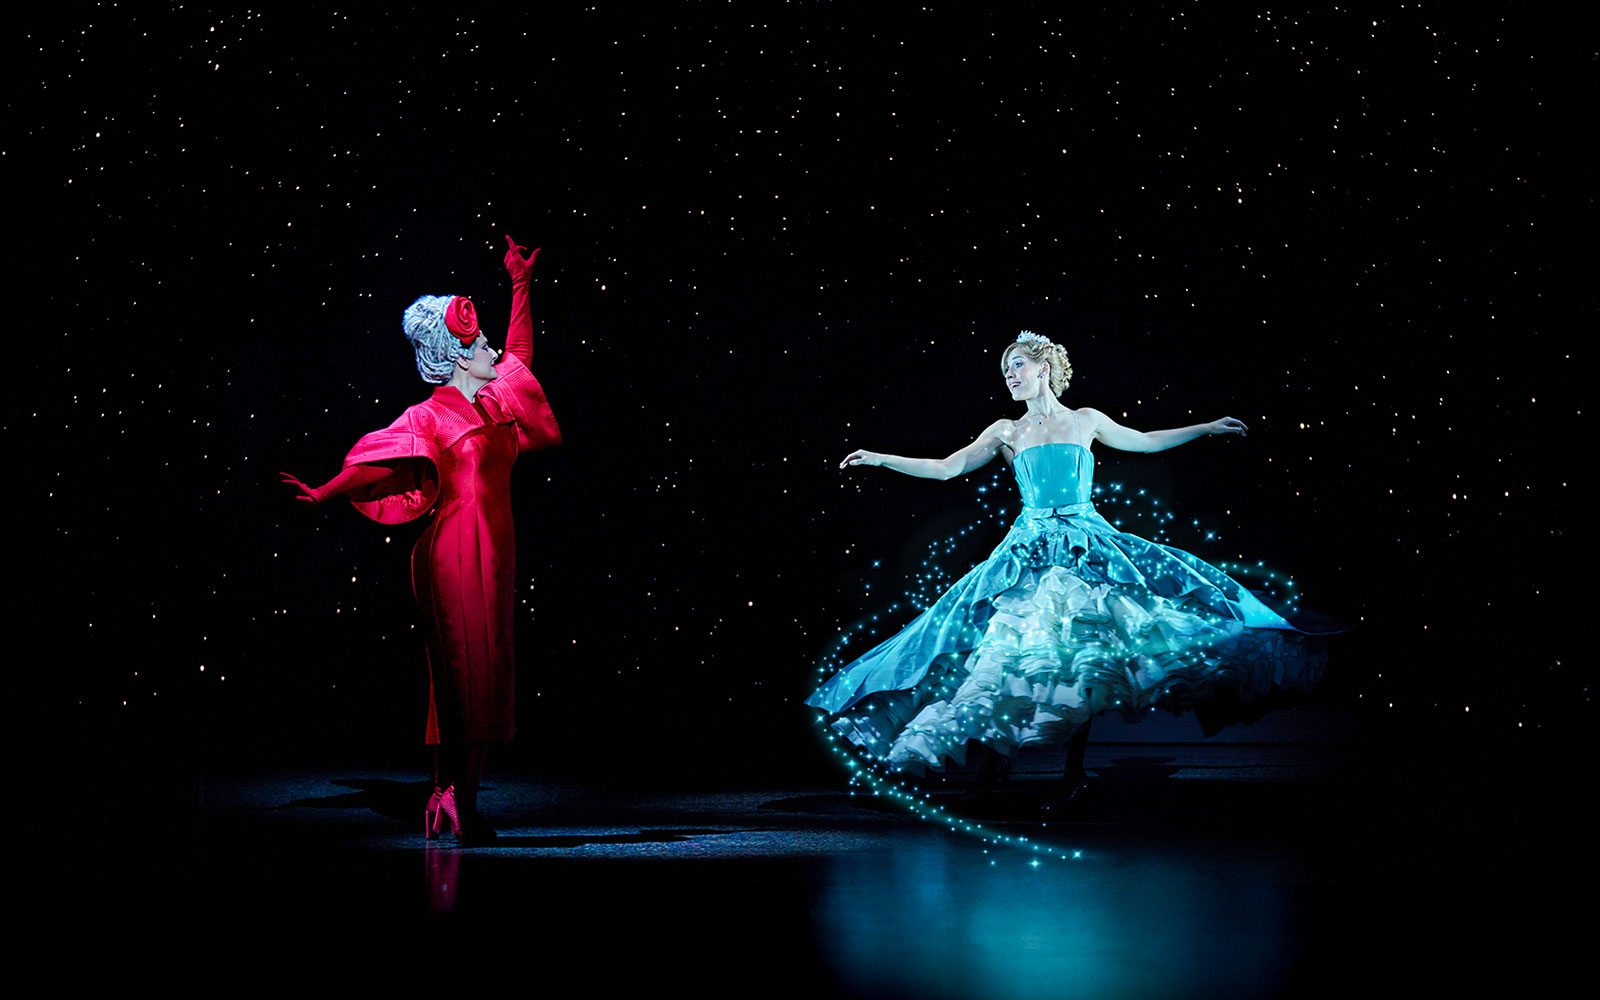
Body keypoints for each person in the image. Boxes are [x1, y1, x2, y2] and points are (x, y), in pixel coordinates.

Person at [808, 330, 1328, 806]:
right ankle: (995, 766)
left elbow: (1145, 440)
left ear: (1044, 369)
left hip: (1085, 545)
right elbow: (948, 467)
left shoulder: (1085, 420)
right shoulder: (1006, 430)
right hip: (1028, 552)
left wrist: (1206, 427)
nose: (1009, 376)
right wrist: (881, 457)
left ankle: (1070, 774)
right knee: (1011, 654)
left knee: (1081, 656)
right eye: (1004, 370)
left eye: (1016, 366)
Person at [282, 235, 560, 843]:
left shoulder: (495, 405)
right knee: (460, 678)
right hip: (453, 553)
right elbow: (379, 465)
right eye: (480, 343)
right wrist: (322, 492)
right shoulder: (428, 416)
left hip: (497, 553)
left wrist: (521, 284)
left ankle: (463, 801)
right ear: (459, 356)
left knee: (491, 677)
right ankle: (446, 794)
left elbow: (520, 357)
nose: (492, 350)